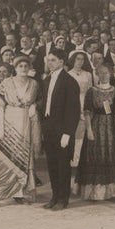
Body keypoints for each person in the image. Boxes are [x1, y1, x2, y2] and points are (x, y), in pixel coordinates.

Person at [0, 56, 39, 207]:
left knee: (22, 157)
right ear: (15, 68)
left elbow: (38, 100)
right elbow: (0, 106)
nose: (23, 68)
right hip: (9, 120)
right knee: (5, 156)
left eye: (26, 66)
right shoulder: (7, 82)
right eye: (20, 66)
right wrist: (0, 128)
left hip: (25, 123)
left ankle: (19, 193)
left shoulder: (34, 83)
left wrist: (34, 106)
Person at [75, 61, 115, 201]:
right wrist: (89, 130)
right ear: (97, 74)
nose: (103, 75)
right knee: (94, 155)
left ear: (111, 74)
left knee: (111, 156)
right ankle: (94, 193)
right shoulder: (92, 91)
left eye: (106, 72)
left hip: (111, 128)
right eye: (101, 72)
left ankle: (111, 192)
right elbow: (87, 112)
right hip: (96, 125)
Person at [39, 51, 80, 210]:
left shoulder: (70, 81)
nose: (50, 63)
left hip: (62, 129)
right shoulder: (47, 80)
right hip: (49, 127)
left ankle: (64, 198)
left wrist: (68, 133)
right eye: (48, 60)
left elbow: (73, 110)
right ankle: (55, 196)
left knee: (63, 164)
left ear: (62, 62)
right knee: (52, 163)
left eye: (53, 60)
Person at [67, 51, 94, 167]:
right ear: (73, 60)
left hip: (84, 102)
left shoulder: (88, 74)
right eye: (78, 59)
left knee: (83, 130)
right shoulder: (68, 74)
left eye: (82, 59)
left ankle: (81, 159)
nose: (80, 61)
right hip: (72, 103)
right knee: (73, 130)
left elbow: (90, 91)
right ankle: (72, 159)